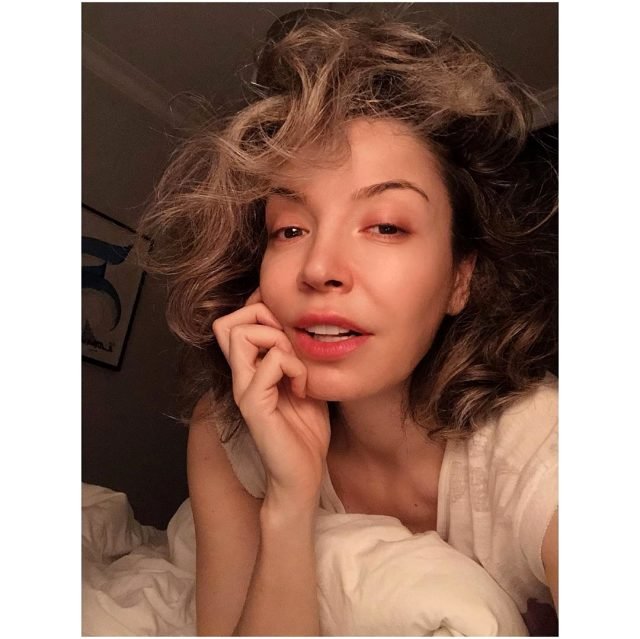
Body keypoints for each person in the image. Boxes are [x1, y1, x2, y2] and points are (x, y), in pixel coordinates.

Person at [138, 8, 558, 636]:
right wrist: (290, 502)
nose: (319, 268)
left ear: (460, 279)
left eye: (385, 226)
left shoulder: (541, 444)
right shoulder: (226, 432)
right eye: (290, 229)